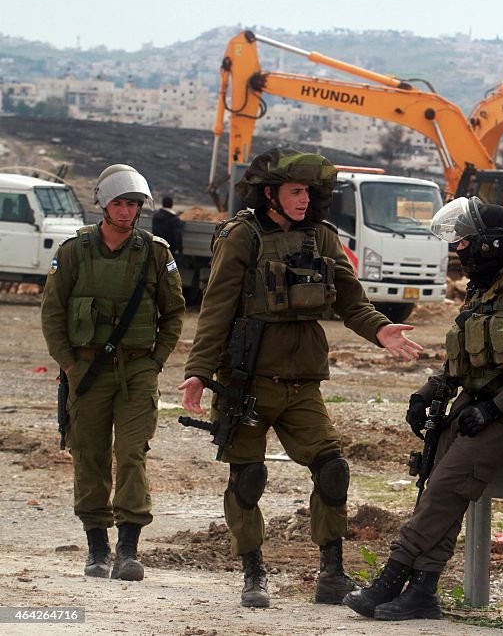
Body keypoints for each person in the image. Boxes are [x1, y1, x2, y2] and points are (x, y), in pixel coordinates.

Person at [177, 148, 422, 608]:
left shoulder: (323, 238)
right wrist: (198, 373)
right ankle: (253, 574)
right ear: (270, 193)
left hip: (302, 383)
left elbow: (352, 302)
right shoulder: (241, 237)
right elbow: (215, 310)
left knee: (332, 470)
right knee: (247, 479)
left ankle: (331, 573)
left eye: (309, 192)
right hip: (246, 383)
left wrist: (380, 329)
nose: (304, 199)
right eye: (294, 191)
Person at [343, 195, 503, 621]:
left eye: (466, 241)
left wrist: (495, 409)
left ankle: (389, 581)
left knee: (442, 494)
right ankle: (423, 590)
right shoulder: (483, 291)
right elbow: (461, 357)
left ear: (491, 244)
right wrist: (429, 391)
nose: (458, 249)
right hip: (466, 405)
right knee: (437, 493)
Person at [40, 164, 185, 581]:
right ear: (104, 203)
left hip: (138, 368)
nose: (126, 211)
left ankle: (128, 549)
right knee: (89, 454)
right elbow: (52, 313)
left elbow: (174, 313)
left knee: (132, 452)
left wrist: (156, 361)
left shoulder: (155, 252)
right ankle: (97, 548)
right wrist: (68, 364)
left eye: (133, 204)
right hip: (85, 369)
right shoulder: (74, 251)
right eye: (119, 203)